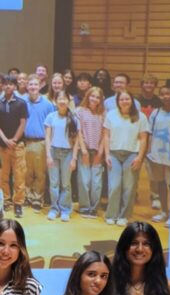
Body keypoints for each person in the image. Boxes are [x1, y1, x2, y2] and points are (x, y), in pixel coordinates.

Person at [103, 91, 150, 226]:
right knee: (114, 186)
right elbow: (106, 136)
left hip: (132, 155)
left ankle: (124, 216)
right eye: (121, 99)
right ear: (118, 102)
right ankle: (111, 214)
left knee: (129, 187)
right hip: (114, 154)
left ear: (132, 100)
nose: (124, 101)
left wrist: (140, 157)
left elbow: (143, 139)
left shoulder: (141, 117)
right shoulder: (111, 115)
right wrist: (107, 154)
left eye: (127, 99)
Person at [0, 75, 28, 218]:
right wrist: (5, 140)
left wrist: (14, 140)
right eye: (5, 84)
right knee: (3, 176)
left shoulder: (21, 103)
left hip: (17, 146)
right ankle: (5, 200)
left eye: (11, 84)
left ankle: (18, 203)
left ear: (15, 86)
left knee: (19, 177)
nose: (8, 86)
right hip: (2, 146)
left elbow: (23, 124)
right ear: (2, 86)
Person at [22, 74, 55, 213]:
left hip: (41, 142)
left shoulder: (47, 104)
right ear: (26, 86)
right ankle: (26, 196)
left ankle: (37, 198)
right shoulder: (22, 102)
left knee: (40, 173)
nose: (33, 87)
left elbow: (52, 124)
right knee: (26, 172)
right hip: (25, 142)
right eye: (30, 84)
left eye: (35, 84)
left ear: (40, 85)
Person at [44, 92, 78, 222]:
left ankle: (65, 210)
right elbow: (47, 137)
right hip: (53, 151)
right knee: (54, 183)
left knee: (66, 184)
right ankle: (54, 209)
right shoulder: (51, 117)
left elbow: (76, 141)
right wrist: (48, 155)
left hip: (68, 153)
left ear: (69, 101)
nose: (62, 101)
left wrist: (74, 158)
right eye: (60, 99)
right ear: (55, 101)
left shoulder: (74, 118)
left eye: (64, 99)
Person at [147, 85, 170, 224]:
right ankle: (164, 212)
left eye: (168, 93)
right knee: (161, 184)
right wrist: (148, 152)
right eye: (162, 94)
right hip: (157, 155)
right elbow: (150, 133)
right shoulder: (156, 113)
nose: (165, 96)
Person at [75, 86, 105, 219]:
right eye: (92, 96)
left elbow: (105, 134)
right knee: (84, 180)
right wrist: (83, 150)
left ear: (101, 100)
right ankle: (84, 207)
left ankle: (94, 208)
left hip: (98, 151)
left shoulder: (103, 114)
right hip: (84, 150)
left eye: (98, 97)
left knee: (96, 182)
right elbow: (78, 132)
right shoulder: (80, 111)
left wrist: (100, 152)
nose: (94, 99)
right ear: (88, 96)